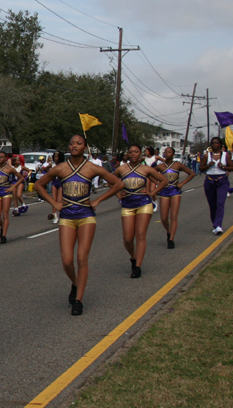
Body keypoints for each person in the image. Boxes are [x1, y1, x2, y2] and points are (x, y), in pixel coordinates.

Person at [35, 135, 122, 316]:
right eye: (71, 143)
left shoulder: (92, 168)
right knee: (67, 260)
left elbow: (118, 183)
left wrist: (98, 201)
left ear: (85, 147)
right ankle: (75, 283)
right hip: (67, 217)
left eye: (79, 143)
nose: (74, 146)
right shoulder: (61, 168)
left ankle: (78, 300)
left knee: (82, 257)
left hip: (86, 216)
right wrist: (55, 203)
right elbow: (39, 185)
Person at [115, 145, 168, 278]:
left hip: (144, 203)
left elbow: (163, 181)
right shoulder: (121, 169)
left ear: (140, 154)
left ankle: (137, 266)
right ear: (127, 154)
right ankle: (133, 257)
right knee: (127, 238)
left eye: (136, 152)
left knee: (140, 234)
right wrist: (118, 194)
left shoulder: (146, 169)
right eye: (131, 152)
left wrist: (152, 192)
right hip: (127, 205)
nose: (133, 154)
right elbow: (111, 181)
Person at [155, 147, 194, 249]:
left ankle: (171, 239)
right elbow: (149, 174)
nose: (167, 153)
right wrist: (157, 184)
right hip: (164, 192)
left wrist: (182, 183)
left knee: (173, 216)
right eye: (166, 152)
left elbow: (191, 173)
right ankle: (168, 231)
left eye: (169, 152)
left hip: (175, 191)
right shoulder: (160, 166)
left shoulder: (177, 165)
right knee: (163, 218)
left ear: (173, 154)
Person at [0, 152, 23, 244]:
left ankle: (3, 235)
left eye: (1, 157)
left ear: (5, 158)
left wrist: (12, 187)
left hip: (6, 192)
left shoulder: (9, 169)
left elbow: (21, 178)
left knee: (5, 214)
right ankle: (3, 227)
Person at [200, 137, 233, 235]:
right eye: (212, 143)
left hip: (222, 181)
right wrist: (208, 165)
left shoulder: (226, 155)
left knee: (220, 203)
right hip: (210, 181)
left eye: (216, 142)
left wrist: (223, 167)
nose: (214, 144)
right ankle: (215, 223)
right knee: (212, 204)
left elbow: (231, 167)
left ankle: (218, 226)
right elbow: (201, 169)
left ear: (220, 144)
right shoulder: (207, 156)